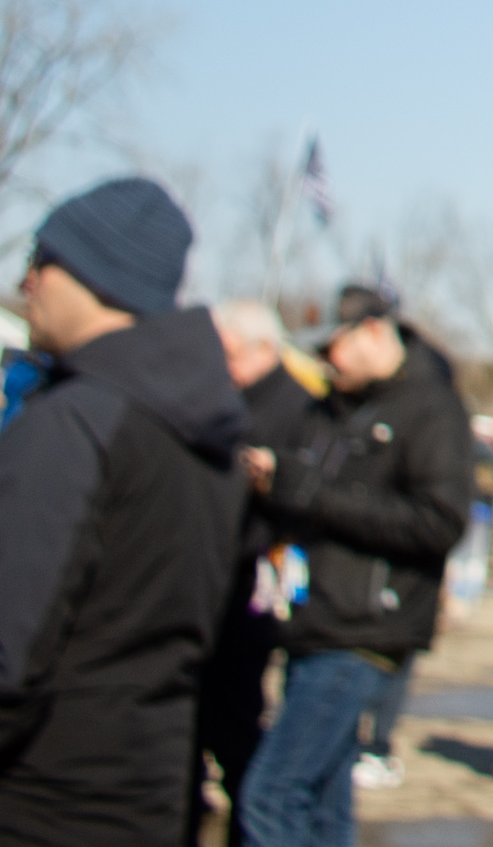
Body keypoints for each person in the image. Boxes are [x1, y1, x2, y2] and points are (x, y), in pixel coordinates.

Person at [0, 176, 247, 847]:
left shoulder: (73, 428)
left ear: (87, 273)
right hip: (142, 796)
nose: (25, 285)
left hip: (24, 808)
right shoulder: (204, 435)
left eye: (39, 262)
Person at [237, 283, 471, 847]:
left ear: (372, 331)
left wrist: (307, 491)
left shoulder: (430, 407)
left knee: (270, 795)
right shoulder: (336, 403)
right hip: (312, 617)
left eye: (332, 346)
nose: (325, 361)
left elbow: (440, 522)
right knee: (323, 802)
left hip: (362, 628)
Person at [189, 297, 323, 842]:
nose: (226, 365)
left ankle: (253, 823)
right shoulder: (223, 397)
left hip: (252, 579)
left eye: (233, 353)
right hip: (209, 572)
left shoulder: (300, 410)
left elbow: (308, 500)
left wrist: (271, 478)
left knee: (234, 713)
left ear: (266, 349)